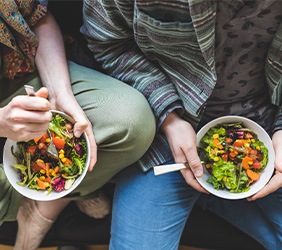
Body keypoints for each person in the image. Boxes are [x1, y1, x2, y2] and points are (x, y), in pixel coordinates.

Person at [81, 0, 282, 249]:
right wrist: (170, 119)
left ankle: (211, 199)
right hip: (163, 131)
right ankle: (216, 199)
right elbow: (109, 43)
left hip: (269, 125)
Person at [0, 1, 155, 250]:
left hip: (19, 69)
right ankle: (33, 206)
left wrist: (61, 94)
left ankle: (49, 203)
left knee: (132, 122)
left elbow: (37, 17)